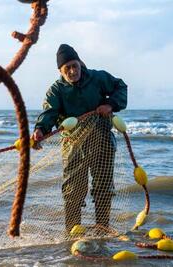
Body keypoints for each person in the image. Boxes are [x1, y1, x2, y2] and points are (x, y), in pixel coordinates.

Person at [32, 44, 127, 235]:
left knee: (104, 187)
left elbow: (121, 86)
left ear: (80, 63)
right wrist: (40, 129)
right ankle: (72, 233)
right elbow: (49, 112)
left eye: (75, 65)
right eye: (67, 68)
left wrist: (110, 104)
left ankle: (103, 229)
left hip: (102, 140)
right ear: (60, 70)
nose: (73, 71)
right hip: (73, 144)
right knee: (73, 190)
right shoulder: (56, 90)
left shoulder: (98, 77)